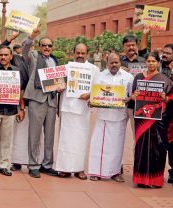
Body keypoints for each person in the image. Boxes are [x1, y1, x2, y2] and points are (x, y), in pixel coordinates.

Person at [55, 43, 100, 180]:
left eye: (83, 53)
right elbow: (57, 84)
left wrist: (90, 94)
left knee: (81, 140)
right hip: (67, 107)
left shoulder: (94, 69)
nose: (80, 55)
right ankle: (64, 168)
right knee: (65, 140)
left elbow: (98, 87)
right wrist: (59, 87)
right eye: (78, 53)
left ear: (87, 54)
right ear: (73, 53)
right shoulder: (65, 68)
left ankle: (79, 169)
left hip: (83, 109)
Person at [88, 53, 133, 182]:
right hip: (103, 115)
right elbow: (95, 93)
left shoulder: (128, 77)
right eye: (111, 62)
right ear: (106, 63)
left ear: (120, 63)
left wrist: (128, 98)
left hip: (120, 116)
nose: (114, 65)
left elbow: (131, 95)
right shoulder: (100, 76)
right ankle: (96, 172)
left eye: (116, 62)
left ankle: (115, 172)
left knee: (117, 146)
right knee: (99, 145)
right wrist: (93, 100)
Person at [131, 52, 172, 188]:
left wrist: (164, 97)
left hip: (157, 120)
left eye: (154, 61)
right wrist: (134, 96)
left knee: (157, 149)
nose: (151, 63)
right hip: (141, 119)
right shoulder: (138, 77)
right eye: (148, 61)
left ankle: (155, 180)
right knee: (141, 148)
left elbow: (169, 100)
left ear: (158, 63)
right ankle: (141, 179)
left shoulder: (165, 80)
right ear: (146, 63)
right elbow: (132, 97)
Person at [0, 46, 26, 177]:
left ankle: (3, 165)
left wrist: (21, 108)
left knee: (6, 140)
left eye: (6, 55)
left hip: (11, 110)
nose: (3, 57)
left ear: (11, 56)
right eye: (1, 55)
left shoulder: (17, 71)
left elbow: (21, 91)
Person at [22, 28, 60, 178]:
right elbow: (25, 50)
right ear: (39, 47)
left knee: (50, 135)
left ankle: (47, 164)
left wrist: (60, 87)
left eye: (49, 45)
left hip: (51, 100)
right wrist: (32, 37)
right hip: (37, 99)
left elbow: (58, 80)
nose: (46, 48)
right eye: (44, 45)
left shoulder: (55, 61)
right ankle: (33, 164)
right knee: (34, 134)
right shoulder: (34, 56)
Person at [0, 31, 32, 171]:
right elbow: (0, 50)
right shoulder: (15, 61)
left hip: (33, 102)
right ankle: (16, 161)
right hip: (16, 103)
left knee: (32, 135)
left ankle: (32, 161)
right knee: (16, 134)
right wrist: (9, 39)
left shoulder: (34, 60)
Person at [161, 44, 173, 184]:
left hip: (171, 111)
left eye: (168, 53)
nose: (165, 55)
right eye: (164, 52)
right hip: (158, 112)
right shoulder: (158, 66)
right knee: (163, 142)